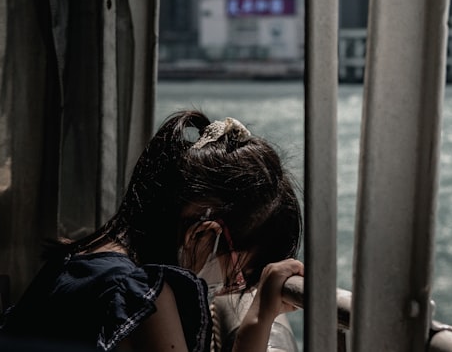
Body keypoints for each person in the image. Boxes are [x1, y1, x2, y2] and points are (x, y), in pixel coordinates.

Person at [0, 110, 304, 352]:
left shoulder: (83, 258)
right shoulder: (144, 298)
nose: (229, 288)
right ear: (202, 235)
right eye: (239, 274)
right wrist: (258, 316)